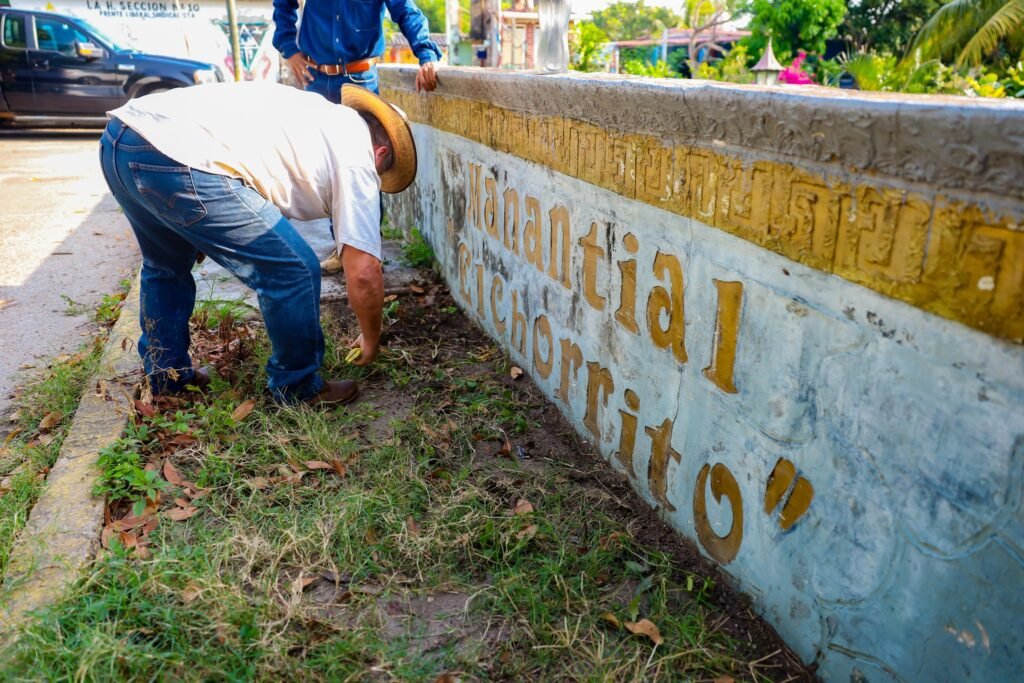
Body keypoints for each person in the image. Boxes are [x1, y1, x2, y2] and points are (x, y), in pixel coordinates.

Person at [99, 82, 418, 406]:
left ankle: (166, 378)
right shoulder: (358, 156)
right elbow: (364, 272)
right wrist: (371, 338)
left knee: (165, 267)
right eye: (381, 174)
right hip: (178, 157)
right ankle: (298, 387)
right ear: (381, 154)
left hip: (120, 140)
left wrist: (198, 230)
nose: (375, 182)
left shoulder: (319, 119)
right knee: (294, 270)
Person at [272, 0, 441, 99]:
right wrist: (289, 48)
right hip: (316, 81)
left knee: (363, 147)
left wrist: (427, 56)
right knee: (316, 149)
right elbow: (283, 4)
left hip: (361, 81)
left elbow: (407, 12)